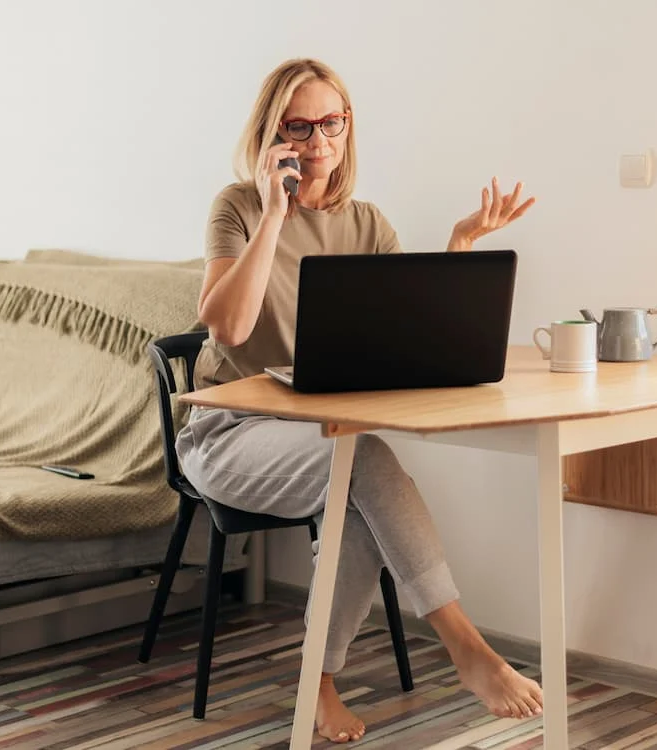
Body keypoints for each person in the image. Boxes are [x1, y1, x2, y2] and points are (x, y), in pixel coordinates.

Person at [176, 58, 541, 744]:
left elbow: (410, 336)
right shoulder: (239, 207)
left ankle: (317, 682)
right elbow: (227, 329)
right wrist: (275, 215)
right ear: (272, 134)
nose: (318, 141)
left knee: (356, 482)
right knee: (363, 462)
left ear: (348, 127)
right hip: (227, 432)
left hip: (320, 434)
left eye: (331, 123)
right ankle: (466, 647)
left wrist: (461, 246)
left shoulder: (366, 222)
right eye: (299, 126)